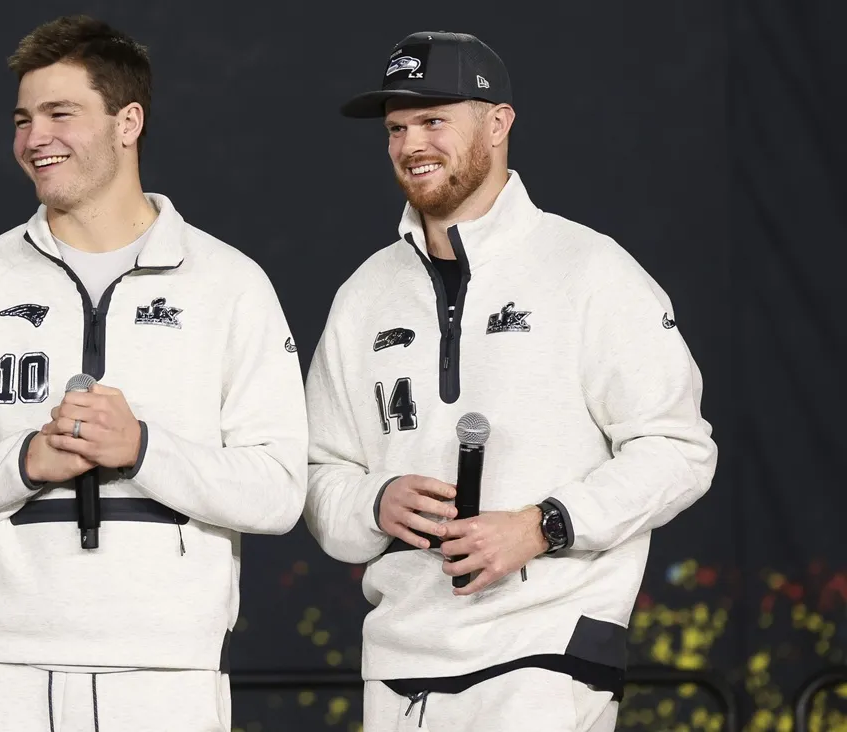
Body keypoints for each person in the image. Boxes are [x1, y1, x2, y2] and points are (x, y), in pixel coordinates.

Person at [0, 15, 308, 732]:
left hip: (169, 678)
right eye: (23, 119)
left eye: (60, 114)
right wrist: (26, 459)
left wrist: (142, 449)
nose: (34, 138)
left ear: (127, 122)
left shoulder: (230, 284)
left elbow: (278, 491)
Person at [303, 31, 717, 732]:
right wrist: (375, 501)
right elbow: (316, 473)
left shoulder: (588, 268)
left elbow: (680, 449)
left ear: (499, 123)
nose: (410, 145)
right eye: (397, 128)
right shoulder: (365, 294)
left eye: (434, 120)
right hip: (400, 665)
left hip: (545, 655)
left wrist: (543, 526)